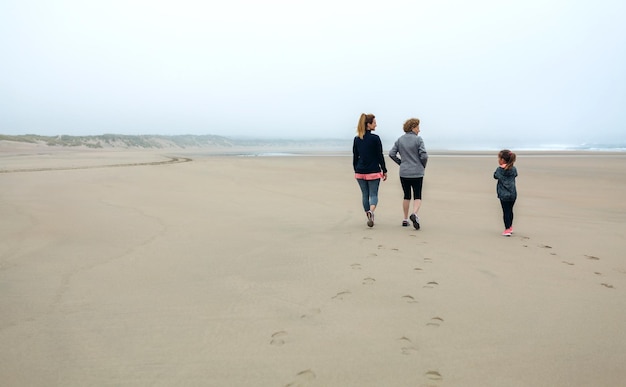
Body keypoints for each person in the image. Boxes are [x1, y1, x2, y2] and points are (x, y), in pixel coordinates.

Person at [389, 118, 428, 229]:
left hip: (404, 172)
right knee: (417, 196)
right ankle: (414, 214)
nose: (419, 130)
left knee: (406, 196)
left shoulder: (400, 140)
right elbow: (424, 155)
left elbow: (392, 154)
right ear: (413, 127)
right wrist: (422, 165)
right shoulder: (418, 140)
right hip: (417, 172)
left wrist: (401, 163)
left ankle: (405, 219)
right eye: (418, 127)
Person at [353, 113, 388, 227]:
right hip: (373, 171)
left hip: (360, 172)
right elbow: (379, 155)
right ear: (368, 124)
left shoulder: (357, 139)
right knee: (373, 195)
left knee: (364, 195)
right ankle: (371, 211)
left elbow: (355, 156)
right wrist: (384, 169)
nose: (376, 125)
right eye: (374, 122)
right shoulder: (375, 138)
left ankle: (368, 215)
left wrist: (356, 169)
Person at [494, 149, 518, 236]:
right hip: (513, 194)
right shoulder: (513, 169)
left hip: (504, 195)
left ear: (503, 160)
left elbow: (495, 176)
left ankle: (507, 229)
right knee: (510, 211)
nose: (498, 160)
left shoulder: (500, 170)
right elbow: (515, 174)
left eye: (499, 158)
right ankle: (510, 227)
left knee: (506, 212)